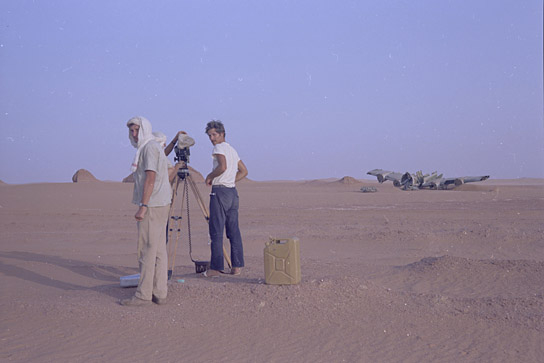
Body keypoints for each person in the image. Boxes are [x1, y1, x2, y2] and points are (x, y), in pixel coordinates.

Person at [120, 116, 172, 306]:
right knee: (158, 250)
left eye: (137, 130)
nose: (134, 135)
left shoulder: (149, 148)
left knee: (146, 251)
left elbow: (150, 178)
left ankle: (143, 295)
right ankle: (160, 292)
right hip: (160, 202)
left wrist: (143, 206)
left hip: (152, 205)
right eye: (131, 131)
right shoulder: (152, 147)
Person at [202, 120, 248, 277]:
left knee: (216, 230)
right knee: (233, 230)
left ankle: (216, 267)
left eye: (214, 134)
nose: (212, 138)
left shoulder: (219, 148)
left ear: (222, 134)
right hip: (232, 192)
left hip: (220, 192)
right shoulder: (232, 150)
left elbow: (222, 167)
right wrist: (230, 180)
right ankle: (237, 266)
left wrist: (210, 176)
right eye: (209, 135)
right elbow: (244, 171)